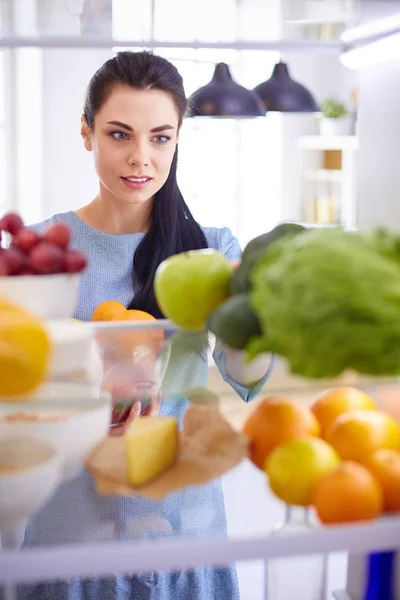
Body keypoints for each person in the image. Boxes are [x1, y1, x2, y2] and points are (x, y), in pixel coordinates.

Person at [19, 50, 273, 600]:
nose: (140, 159)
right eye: (119, 134)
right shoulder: (40, 252)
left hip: (185, 538)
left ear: (178, 139)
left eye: (160, 138)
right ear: (86, 133)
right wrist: (87, 401)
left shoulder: (211, 250)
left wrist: (247, 309)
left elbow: (248, 378)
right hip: (71, 540)